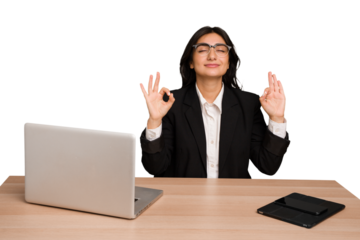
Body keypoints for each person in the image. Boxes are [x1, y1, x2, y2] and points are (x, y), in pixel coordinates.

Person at [138, 24, 291, 178]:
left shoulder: (249, 104)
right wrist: (154, 120)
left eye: (221, 50)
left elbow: (267, 167)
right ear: (190, 61)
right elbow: (155, 169)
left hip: (234, 200)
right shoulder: (171, 103)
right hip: (185, 200)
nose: (212, 56)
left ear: (229, 62)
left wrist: (276, 119)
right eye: (203, 49)